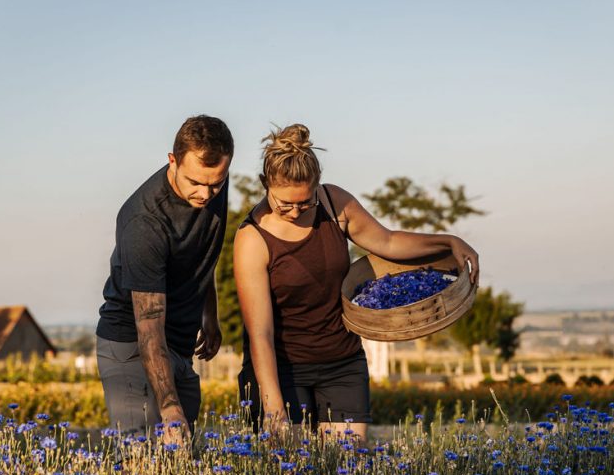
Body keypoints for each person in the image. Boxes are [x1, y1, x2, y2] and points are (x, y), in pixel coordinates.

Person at [234, 123, 479, 442]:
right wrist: (273, 406)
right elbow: (260, 333)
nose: (296, 212)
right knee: (290, 471)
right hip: (282, 369)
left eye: (305, 202)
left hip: (342, 361)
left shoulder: (335, 204)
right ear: (265, 184)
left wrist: (447, 242)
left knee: (347, 470)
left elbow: (388, 242)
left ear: (317, 185)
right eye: (285, 204)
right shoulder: (252, 239)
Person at [96, 115, 233, 445]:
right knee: (138, 463)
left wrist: (209, 315)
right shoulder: (144, 223)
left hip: (179, 341)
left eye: (216, 183)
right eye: (195, 182)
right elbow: (149, 325)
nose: (205, 194)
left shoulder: (213, 179)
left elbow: (202, 251)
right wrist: (170, 407)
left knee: (181, 460)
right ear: (173, 160)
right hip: (133, 341)